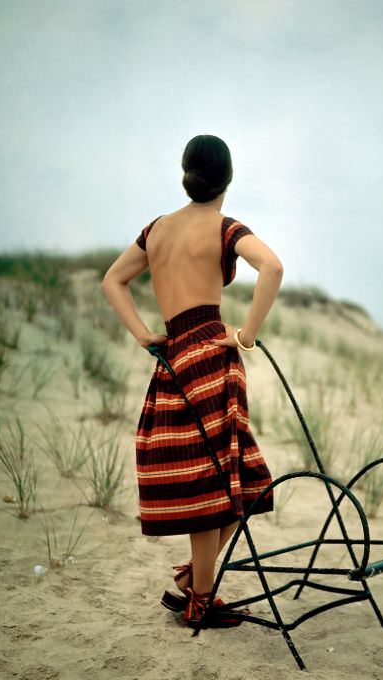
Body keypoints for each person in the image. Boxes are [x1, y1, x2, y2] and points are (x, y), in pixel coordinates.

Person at [101, 134, 283, 629]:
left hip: (173, 358)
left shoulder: (156, 231)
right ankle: (200, 599)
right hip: (213, 358)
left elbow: (112, 280)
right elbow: (272, 267)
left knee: (226, 484)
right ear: (227, 178)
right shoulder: (224, 228)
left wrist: (144, 336)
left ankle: (194, 579)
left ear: (187, 175)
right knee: (222, 484)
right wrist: (246, 337)